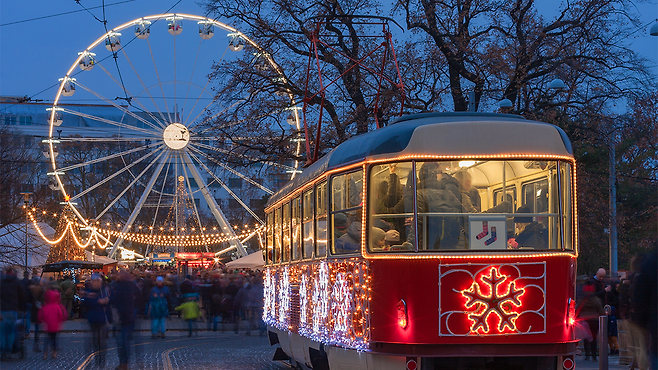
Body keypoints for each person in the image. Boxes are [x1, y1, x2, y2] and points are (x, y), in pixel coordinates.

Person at [109, 271, 140, 370]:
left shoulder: (122, 286)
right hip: (129, 315)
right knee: (124, 340)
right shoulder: (132, 285)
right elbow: (140, 297)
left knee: (121, 341)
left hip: (123, 316)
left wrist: (109, 300)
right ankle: (124, 363)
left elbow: (117, 300)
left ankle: (123, 363)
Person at [83, 273, 109, 366]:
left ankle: (102, 359)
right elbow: (85, 303)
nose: (96, 283)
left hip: (102, 319)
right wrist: (96, 300)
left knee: (102, 341)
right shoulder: (89, 291)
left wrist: (106, 301)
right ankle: (97, 359)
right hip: (93, 318)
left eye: (97, 281)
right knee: (95, 341)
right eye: (94, 281)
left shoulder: (104, 291)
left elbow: (109, 301)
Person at [0, 268, 26, 361]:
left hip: (2, 310)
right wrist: (22, 307)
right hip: (13, 310)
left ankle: (2, 351)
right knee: (11, 332)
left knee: (2, 332)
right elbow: (22, 296)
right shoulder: (16, 283)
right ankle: (8, 350)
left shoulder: (1, 283)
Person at [577, 282, 605, 361]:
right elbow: (601, 311)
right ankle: (594, 356)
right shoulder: (597, 300)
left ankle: (587, 355)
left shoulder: (582, 300)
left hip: (584, 320)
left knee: (586, 338)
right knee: (594, 338)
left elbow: (577, 309)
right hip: (595, 320)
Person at [38, 288, 67, 359]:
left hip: (47, 326)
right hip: (55, 326)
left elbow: (40, 315)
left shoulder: (45, 307)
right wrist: (60, 322)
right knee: (54, 339)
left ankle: (45, 353)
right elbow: (61, 315)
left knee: (46, 340)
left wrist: (41, 321)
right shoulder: (57, 306)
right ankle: (54, 353)